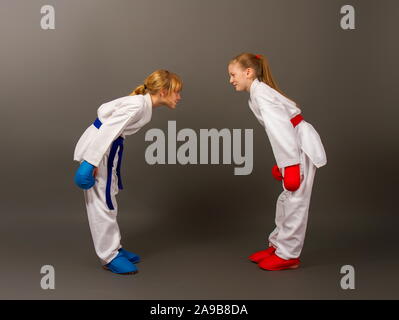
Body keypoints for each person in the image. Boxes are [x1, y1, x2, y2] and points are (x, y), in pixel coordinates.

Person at [73, 70, 182, 275]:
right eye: (176, 92)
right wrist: (90, 162)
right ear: (164, 91)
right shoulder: (138, 105)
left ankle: (115, 247)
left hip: (107, 150)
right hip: (100, 150)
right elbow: (108, 130)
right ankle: (109, 256)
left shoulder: (141, 104)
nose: (179, 96)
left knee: (109, 198)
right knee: (102, 203)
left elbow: (107, 118)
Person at [228, 53, 327, 270]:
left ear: (248, 72)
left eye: (233, 75)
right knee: (286, 199)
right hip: (294, 144)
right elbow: (279, 130)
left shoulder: (261, 94)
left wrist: (290, 164)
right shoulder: (257, 93)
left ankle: (288, 255)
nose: (231, 80)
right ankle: (277, 245)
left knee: (296, 201)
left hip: (299, 145)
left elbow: (280, 129)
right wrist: (283, 163)